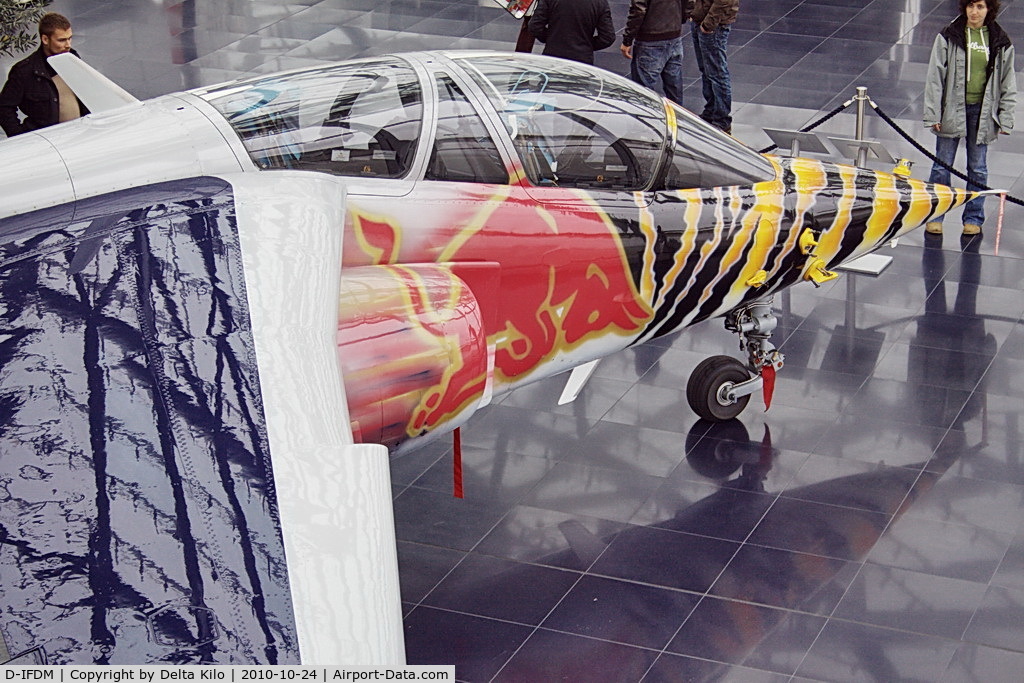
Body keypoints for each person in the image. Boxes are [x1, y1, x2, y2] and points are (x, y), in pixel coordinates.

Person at [923, 0, 1015, 236]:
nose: (975, 12)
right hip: (951, 109)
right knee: (941, 167)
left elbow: (1008, 81)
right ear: (964, 7)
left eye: (981, 7)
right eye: (971, 6)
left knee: (978, 168)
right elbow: (935, 76)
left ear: (989, 10)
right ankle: (936, 216)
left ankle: (973, 218)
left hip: (982, 112)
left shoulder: (1000, 40)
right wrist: (933, 112)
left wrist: (1005, 117)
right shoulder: (949, 35)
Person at [0, 12, 88, 138]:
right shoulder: (24, 71)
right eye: (62, 40)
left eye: (70, 38)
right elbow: (4, 108)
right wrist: (20, 138)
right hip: (47, 142)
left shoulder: (73, 60)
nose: (68, 45)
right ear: (45, 39)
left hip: (79, 136)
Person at [620, 0, 693, 105]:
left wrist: (627, 39)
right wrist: (680, 19)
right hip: (674, 34)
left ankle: (646, 118)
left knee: (643, 91)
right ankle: (678, 118)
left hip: (650, 38)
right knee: (674, 87)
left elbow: (638, 10)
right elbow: (689, 3)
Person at [690, 0, 738, 134]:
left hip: (713, 26)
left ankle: (722, 120)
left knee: (717, 73)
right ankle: (711, 112)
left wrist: (708, 24)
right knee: (707, 71)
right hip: (701, 20)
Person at [528, 0, 616, 65]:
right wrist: (586, 45)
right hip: (582, 61)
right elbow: (608, 37)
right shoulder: (600, 3)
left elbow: (535, 26)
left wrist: (551, 39)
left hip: (552, 57)